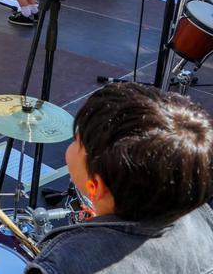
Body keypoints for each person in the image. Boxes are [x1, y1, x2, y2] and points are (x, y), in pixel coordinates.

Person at [25, 82, 213, 274]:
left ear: (95, 187)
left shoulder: (62, 263)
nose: (72, 143)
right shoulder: (202, 221)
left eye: (76, 141)